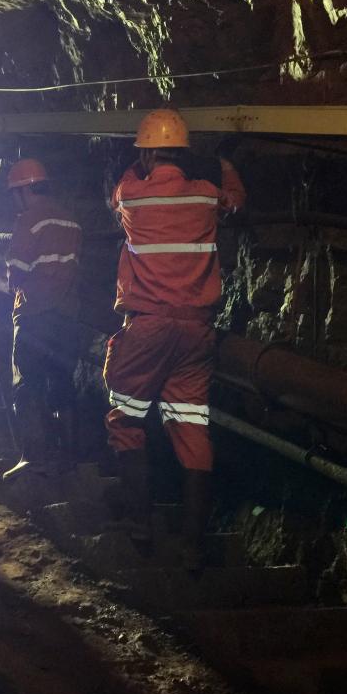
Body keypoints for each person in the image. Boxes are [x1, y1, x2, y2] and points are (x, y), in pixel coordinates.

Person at [104, 108, 246, 566]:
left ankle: (139, 523)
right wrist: (222, 164)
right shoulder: (205, 195)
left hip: (149, 328)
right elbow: (236, 200)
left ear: (146, 155)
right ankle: (193, 545)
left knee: (126, 419)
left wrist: (138, 163)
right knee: (191, 428)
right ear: (183, 155)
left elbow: (119, 190)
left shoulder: (132, 195)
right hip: (196, 332)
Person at [1, 159, 83, 481]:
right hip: (67, 315)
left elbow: (16, 273)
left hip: (34, 314)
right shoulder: (71, 220)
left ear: (24, 191)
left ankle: (34, 457)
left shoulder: (29, 219)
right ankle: (69, 457)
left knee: (27, 383)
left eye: (14, 193)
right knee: (62, 383)